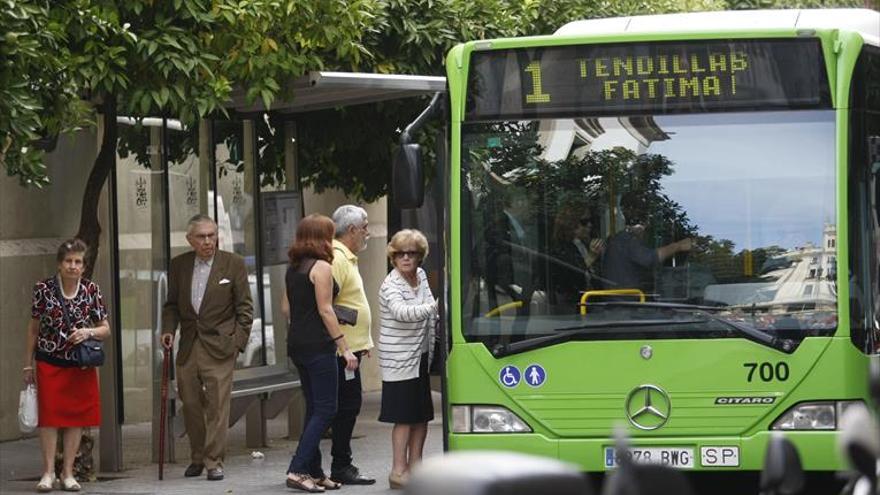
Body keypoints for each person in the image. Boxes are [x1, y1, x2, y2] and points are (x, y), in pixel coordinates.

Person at [161, 214, 253, 481]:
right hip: (189, 345)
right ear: (190, 240)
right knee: (190, 403)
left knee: (217, 406)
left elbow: (245, 307)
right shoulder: (179, 265)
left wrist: (237, 342)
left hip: (221, 346)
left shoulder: (232, 264)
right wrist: (168, 330)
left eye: (212, 235)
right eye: (201, 236)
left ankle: (214, 461)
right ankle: (197, 456)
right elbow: (171, 305)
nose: (208, 241)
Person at [24, 239, 110, 492]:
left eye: (78, 262)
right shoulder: (43, 289)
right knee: (49, 418)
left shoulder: (91, 291)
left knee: (76, 418)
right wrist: (26, 365)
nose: (73, 266)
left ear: (84, 266)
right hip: (49, 362)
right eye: (69, 261)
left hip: (80, 365)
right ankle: (48, 472)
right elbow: (33, 329)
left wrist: (87, 332)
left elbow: (106, 329)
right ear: (60, 264)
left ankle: (68, 472)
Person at [284, 214, 359, 493]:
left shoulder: (294, 267)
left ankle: (315, 471)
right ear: (322, 237)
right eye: (329, 234)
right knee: (327, 408)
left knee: (314, 407)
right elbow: (325, 309)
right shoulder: (322, 267)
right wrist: (344, 346)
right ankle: (298, 468)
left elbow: (286, 308)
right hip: (319, 345)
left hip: (297, 344)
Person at [377, 229, 438, 489]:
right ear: (393, 257)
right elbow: (403, 313)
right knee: (403, 417)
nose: (405, 258)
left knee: (421, 415)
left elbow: (423, 310)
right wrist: (437, 306)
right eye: (400, 254)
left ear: (419, 256)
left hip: (421, 356)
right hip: (398, 360)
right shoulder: (390, 284)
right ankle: (398, 471)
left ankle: (417, 467)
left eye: (411, 253)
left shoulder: (421, 276)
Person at [328, 205, 376, 485]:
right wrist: (347, 345)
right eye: (365, 227)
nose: (368, 232)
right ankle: (340, 465)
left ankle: (339, 463)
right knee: (345, 407)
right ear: (352, 230)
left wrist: (362, 341)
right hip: (340, 352)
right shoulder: (337, 258)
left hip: (350, 349)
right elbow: (325, 305)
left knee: (348, 406)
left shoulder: (348, 257)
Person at [601, 216, 692, 292]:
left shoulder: (618, 239)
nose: (644, 231)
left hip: (624, 302)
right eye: (644, 226)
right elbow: (650, 259)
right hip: (625, 305)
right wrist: (679, 246)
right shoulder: (627, 240)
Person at [548, 205, 605, 308]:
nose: (589, 225)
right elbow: (569, 279)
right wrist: (591, 257)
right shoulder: (561, 248)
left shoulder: (584, 245)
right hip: (572, 307)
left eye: (591, 220)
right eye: (584, 222)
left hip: (590, 302)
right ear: (571, 223)